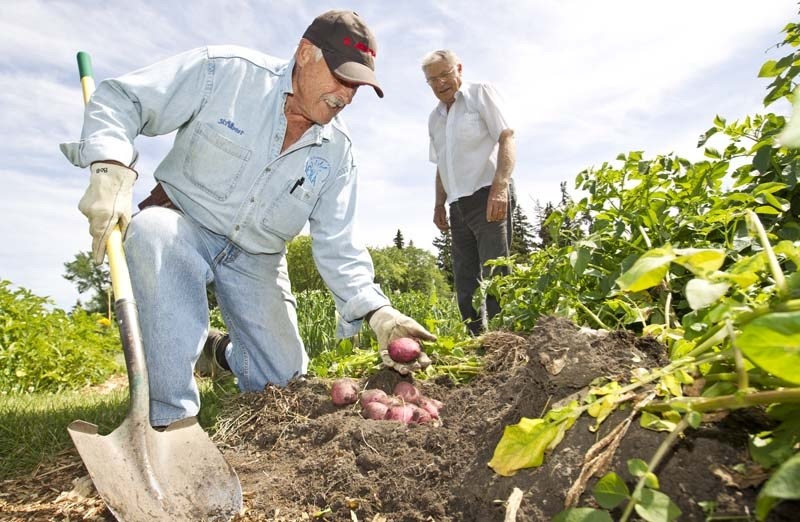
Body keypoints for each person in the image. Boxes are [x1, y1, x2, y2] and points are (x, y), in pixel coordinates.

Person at [60, 10, 435, 428]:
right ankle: (170, 421)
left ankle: (217, 352)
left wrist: (378, 312)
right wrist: (109, 164)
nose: (346, 96)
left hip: (257, 258)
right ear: (305, 53)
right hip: (183, 223)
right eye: (341, 78)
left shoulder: (336, 154)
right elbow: (122, 99)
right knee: (151, 233)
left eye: (357, 87)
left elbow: (338, 245)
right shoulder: (226, 73)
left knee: (283, 381)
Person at [421, 49, 516, 336]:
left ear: (458, 69)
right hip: (458, 205)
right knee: (465, 283)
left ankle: (504, 340)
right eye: (432, 80)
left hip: (488, 195)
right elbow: (441, 164)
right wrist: (439, 203)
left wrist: (500, 187)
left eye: (445, 74)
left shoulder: (480, 95)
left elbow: (506, 136)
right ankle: (477, 343)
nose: (440, 83)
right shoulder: (435, 118)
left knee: (496, 274)